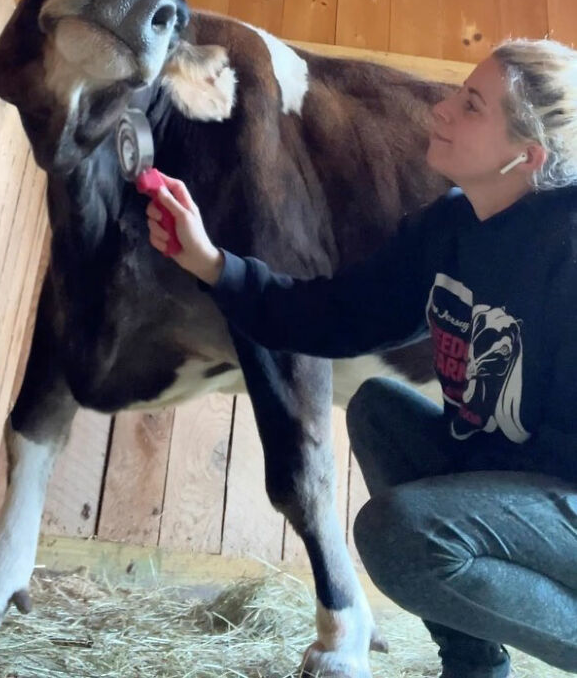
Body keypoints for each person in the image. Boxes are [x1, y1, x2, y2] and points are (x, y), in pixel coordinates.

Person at [145, 39, 577, 678]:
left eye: (472, 106)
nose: (441, 110)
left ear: (526, 156)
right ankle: (473, 666)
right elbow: (337, 316)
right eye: (459, 92)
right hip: (510, 474)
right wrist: (211, 264)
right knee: (378, 410)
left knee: (403, 537)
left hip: (565, 499)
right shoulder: (451, 227)